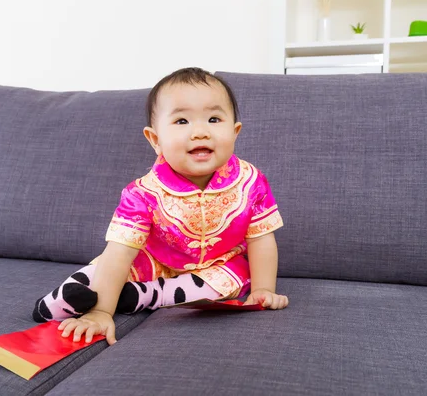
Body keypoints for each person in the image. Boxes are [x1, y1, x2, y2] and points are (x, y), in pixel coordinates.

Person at [32, 67, 288, 345]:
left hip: (218, 264)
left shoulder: (251, 181)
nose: (200, 132)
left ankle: (143, 296)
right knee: (104, 270)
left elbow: (261, 239)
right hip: (153, 261)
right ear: (155, 140)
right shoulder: (142, 193)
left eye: (214, 119)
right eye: (181, 121)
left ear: (235, 132)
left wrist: (263, 289)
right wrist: (101, 311)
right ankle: (60, 302)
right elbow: (119, 252)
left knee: (228, 282)